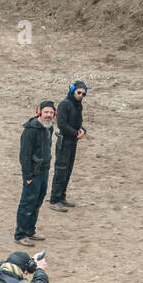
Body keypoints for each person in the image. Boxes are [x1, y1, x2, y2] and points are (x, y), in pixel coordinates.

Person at [15, 101, 55, 247]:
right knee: (27, 203)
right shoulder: (30, 131)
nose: (48, 115)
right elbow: (24, 156)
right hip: (33, 174)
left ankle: (30, 231)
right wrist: (28, 177)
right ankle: (20, 234)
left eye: (51, 113)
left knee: (37, 202)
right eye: (46, 112)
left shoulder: (49, 128)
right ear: (39, 112)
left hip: (43, 172)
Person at [50, 81, 87, 212]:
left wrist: (82, 129)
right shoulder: (64, 105)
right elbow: (62, 125)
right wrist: (76, 132)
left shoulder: (77, 106)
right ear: (72, 91)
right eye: (79, 92)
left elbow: (78, 122)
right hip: (64, 142)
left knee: (68, 170)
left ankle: (61, 197)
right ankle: (54, 199)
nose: (81, 95)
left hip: (72, 142)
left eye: (83, 93)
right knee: (61, 170)